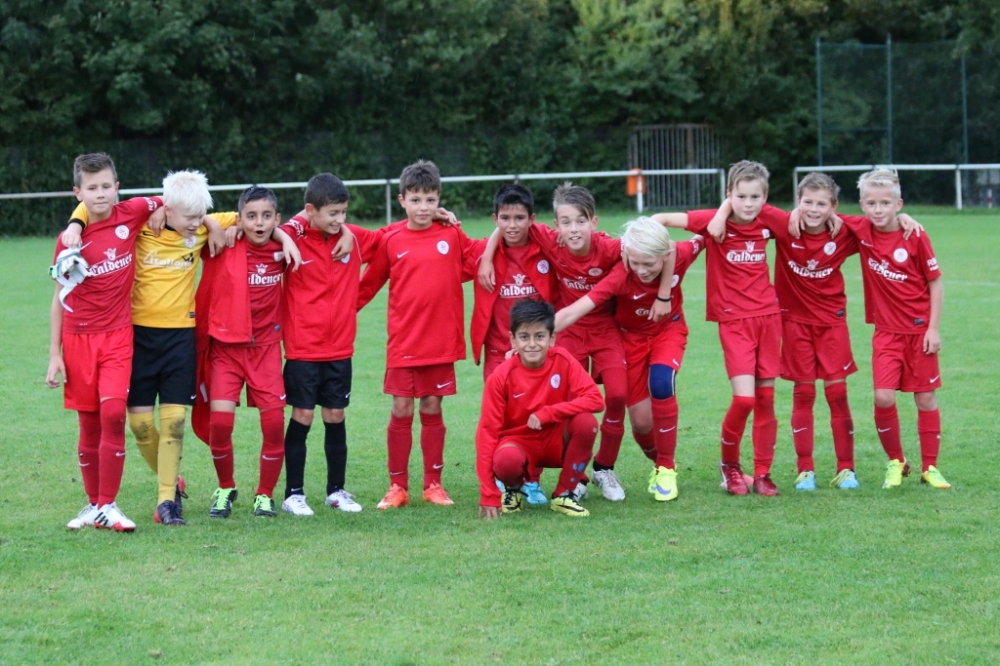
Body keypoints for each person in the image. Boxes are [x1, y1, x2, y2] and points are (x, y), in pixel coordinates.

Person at [479, 184, 672, 502]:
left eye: (580, 221)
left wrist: (664, 295)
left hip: (605, 330)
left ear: (593, 222)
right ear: (555, 225)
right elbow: (509, 224)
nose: (573, 229)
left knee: (617, 395)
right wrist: (488, 256)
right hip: (568, 332)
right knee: (563, 401)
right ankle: (565, 477)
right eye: (566, 222)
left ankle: (604, 469)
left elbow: (667, 248)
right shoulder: (548, 238)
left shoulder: (611, 248)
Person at [61, 170, 232, 525]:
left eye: (201, 216)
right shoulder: (140, 226)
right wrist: (75, 224)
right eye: (191, 217)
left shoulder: (200, 226)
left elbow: (249, 216)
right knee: (139, 425)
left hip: (181, 338)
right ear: (167, 210)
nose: (195, 222)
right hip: (136, 337)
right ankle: (172, 479)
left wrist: (214, 224)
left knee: (174, 423)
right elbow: (93, 208)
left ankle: (167, 501)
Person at [651, 160, 788, 496]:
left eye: (755, 197)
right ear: (729, 194)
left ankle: (763, 473)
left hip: (769, 318)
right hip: (734, 322)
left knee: (766, 399)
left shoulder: (769, 220)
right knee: (744, 400)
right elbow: (660, 219)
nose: (748, 204)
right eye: (740, 197)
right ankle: (730, 467)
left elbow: (808, 221)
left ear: (765, 197)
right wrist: (720, 213)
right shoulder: (713, 221)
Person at [47, 152, 164, 531]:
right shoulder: (68, 240)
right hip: (78, 339)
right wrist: (54, 355)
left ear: (117, 187)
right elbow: (59, 298)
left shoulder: (131, 213)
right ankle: (93, 504)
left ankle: (109, 505)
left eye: (106, 186)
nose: (100, 194)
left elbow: (169, 199)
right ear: (78, 193)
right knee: (89, 424)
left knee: (113, 413)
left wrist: (161, 210)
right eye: (92, 188)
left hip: (117, 336)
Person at [357, 160, 479, 509]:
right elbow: (368, 285)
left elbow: (474, 261)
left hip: (440, 341)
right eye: (415, 200)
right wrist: (336, 315)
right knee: (400, 407)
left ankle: (433, 485)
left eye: (430, 199)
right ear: (402, 200)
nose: (423, 207)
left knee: (432, 405)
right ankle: (397, 487)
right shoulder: (392, 239)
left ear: (439, 199)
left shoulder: (451, 235)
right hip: (404, 341)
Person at [555, 218, 702, 502]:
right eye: (635, 262)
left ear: (665, 256)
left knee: (662, 383)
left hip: (667, 331)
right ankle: (660, 463)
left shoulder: (679, 254)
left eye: (650, 264)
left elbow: (704, 234)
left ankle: (666, 468)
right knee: (642, 422)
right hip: (630, 340)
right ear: (625, 254)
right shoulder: (620, 275)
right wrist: (538, 335)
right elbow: (577, 309)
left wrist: (724, 213)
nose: (642, 270)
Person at [837, 168, 950, 489]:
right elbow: (822, 213)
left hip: (919, 332)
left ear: (898, 204)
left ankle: (930, 467)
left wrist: (933, 329)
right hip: (886, 333)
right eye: (871, 203)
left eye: (885, 203)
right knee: (883, 396)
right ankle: (896, 462)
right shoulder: (861, 230)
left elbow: (936, 283)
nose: (878, 209)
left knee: (925, 398)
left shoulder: (915, 235)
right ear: (862, 205)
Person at [192, 186, 301, 518]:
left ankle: (264, 494)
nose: (259, 223)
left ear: (277, 219)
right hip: (226, 350)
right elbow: (187, 216)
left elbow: (315, 218)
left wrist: (285, 237)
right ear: (239, 219)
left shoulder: (281, 249)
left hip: (265, 350)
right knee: (220, 423)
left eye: (267, 216)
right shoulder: (223, 243)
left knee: (274, 424)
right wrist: (215, 225)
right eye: (251, 216)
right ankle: (226, 487)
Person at [278, 173, 382, 515]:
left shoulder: (352, 237)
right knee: (303, 414)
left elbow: (389, 239)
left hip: (340, 347)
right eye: (333, 213)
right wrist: (291, 230)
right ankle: (293, 493)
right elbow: (269, 228)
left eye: (344, 213)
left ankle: (336, 491)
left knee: (335, 414)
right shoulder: (292, 236)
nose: (340, 220)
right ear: (311, 210)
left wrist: (434, 217)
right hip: (302, 348)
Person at [468, 183, 556, 505]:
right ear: (495, 219)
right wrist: (487, 255)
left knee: (535, 415)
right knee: (500, 418)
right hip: (497, 352)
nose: (513, 225)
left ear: (532, 219)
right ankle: (504, 478)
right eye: (505, 218)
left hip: (536, 352)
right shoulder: (482, 253)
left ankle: (531, 480)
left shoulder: (545, 247)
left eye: (520, 218)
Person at [476, 300, 604, 519]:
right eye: (524, 337)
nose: (532, 344)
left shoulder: (563, 360)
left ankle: (564, 494)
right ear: (513, 340)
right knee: (506, 460)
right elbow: (487, 432)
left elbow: (596, 400)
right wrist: (488, 492)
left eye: (540, 336)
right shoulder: (500, 376)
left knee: (586, 423)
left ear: (552, 338)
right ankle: (513, 489)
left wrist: (549, 412)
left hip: (555, 438)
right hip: (519, 442)